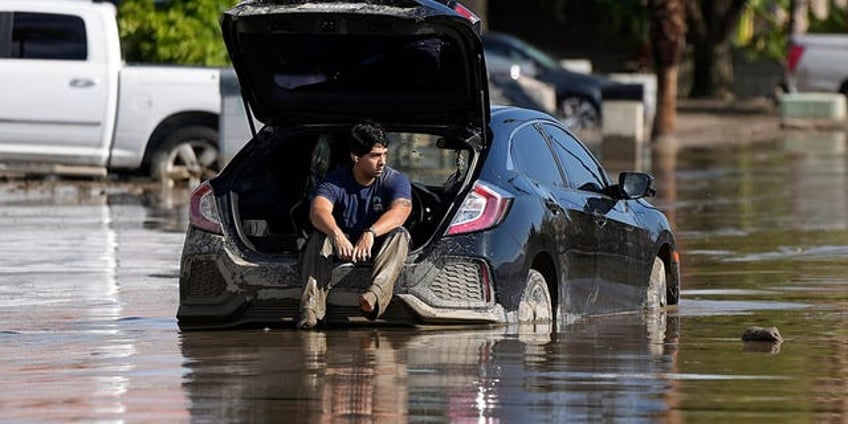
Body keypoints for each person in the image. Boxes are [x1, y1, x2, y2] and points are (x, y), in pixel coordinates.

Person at [298, 120, 412, 330]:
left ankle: (374, 296)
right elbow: (318, 211)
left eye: (385, 154)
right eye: (375, 156)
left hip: (378, 245)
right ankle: (311, 310)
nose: (382, 162)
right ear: (356, 157)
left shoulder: (395, 180)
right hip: (343, 243)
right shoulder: (334, 181)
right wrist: (336, 235)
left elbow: (401, 210)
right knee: (318, 237)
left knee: (400, 234)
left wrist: (371, 233)